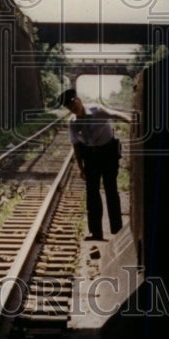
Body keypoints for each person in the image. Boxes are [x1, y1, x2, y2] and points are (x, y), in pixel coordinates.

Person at [60, 88, 130, 241]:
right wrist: (80, 167)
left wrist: (132, 122)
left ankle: (117, 230)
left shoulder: (97, 110)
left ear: (78, 99)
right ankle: (96, 233)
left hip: (108, 153)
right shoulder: (73, 123)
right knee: (92, 193)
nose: (73, 108)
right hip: (91, 157)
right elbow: (76, 146)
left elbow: (115, 115)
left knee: (111, 189)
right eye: (69, 107)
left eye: (73, 103)